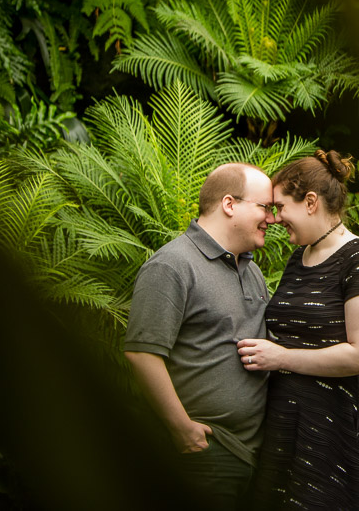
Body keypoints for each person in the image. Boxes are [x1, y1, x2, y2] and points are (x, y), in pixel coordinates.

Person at [237, 150, 359, 510]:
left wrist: (281, 357)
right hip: (289, 419)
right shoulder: (300, 257)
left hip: (337, 418)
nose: (274, 219)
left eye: (279, 208)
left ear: (310, 202)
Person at [124, 163, 277, 511]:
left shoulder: (250, 268)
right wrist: (182, 430)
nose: (272, 218)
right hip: (203, 454)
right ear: (229, 204)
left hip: (252, 455)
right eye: (264, 207)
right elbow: (142, 354)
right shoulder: (172, 265)